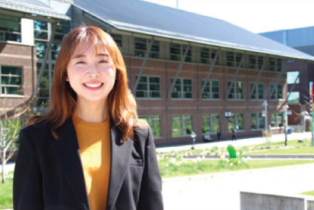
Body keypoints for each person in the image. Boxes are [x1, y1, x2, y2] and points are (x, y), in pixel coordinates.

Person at [13, 26, 163, 210]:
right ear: (65, 74)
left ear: (116, 71)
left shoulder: (138, 135)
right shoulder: (37, 138)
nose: (93, 72)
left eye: (102, 61)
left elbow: (152, 205)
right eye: (80, 62)